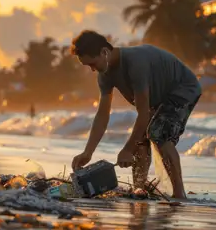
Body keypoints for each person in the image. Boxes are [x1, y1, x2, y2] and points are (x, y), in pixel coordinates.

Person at [70, 30, 202, 200]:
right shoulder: (104, 75)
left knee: (158, 133)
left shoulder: (135, 63)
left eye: (93, 64)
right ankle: (140, 189)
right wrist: (87, 152)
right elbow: (102, 115)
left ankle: (179, 193)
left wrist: (127, 149)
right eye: (88, 66)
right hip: (158, 97)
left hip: (183, 88)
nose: (92, 69)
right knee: (139, 138)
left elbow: (143, 113)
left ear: (104, 52)